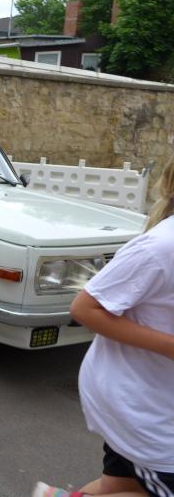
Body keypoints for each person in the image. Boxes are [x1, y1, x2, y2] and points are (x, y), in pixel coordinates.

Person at [33, 156, 174, 497]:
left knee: (119, 485)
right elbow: (85, 307)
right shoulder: (161, 248)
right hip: (138, 403)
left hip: (155, 395)